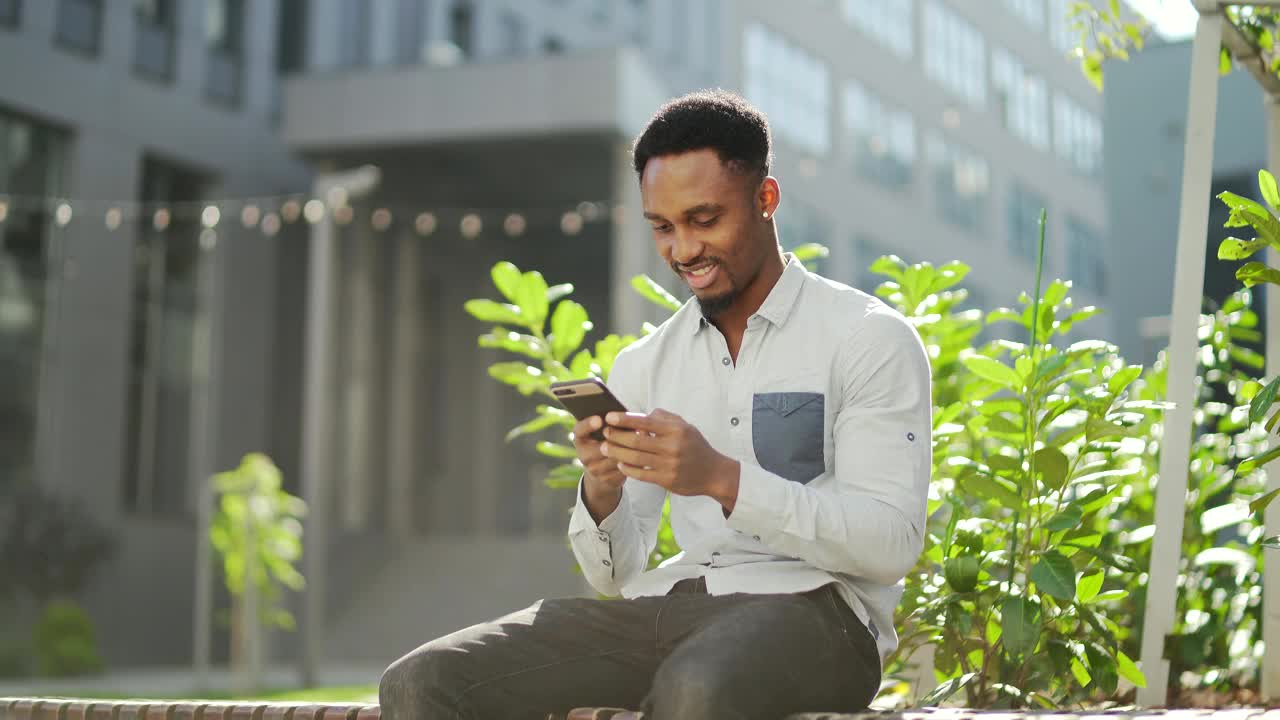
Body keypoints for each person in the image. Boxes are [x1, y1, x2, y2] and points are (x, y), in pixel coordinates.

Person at [379, 89, 932, 720]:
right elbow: (614, 575)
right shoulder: (645, 363)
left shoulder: (867, 337)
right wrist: (604, 488)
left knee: (695, 691)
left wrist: (720, 478)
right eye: (663, 228)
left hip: (816, 614)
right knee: (421, 684)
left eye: (704, 220)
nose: (683, 251)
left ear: (766, 199)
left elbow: (889, 544)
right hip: (664, 609)